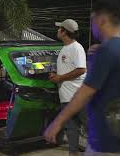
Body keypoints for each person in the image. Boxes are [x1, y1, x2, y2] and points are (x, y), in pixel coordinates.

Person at [44, 0, 120, 155]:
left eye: (93, 20)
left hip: (105, 142)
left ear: (102, 19)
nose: (92, 25)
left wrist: (57, 122)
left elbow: (85, 92)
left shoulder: (108, 50)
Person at [48, 19, 86, 156]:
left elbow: (81, 69)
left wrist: (60, 78)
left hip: (78, 97)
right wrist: (56, 76)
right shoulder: (64, 48)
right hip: (66, 97)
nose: (57, 31)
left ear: (64, 32)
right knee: (71, 128)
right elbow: (67, 70)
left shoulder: (77, 48)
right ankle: (73, 153)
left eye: (60, 29)